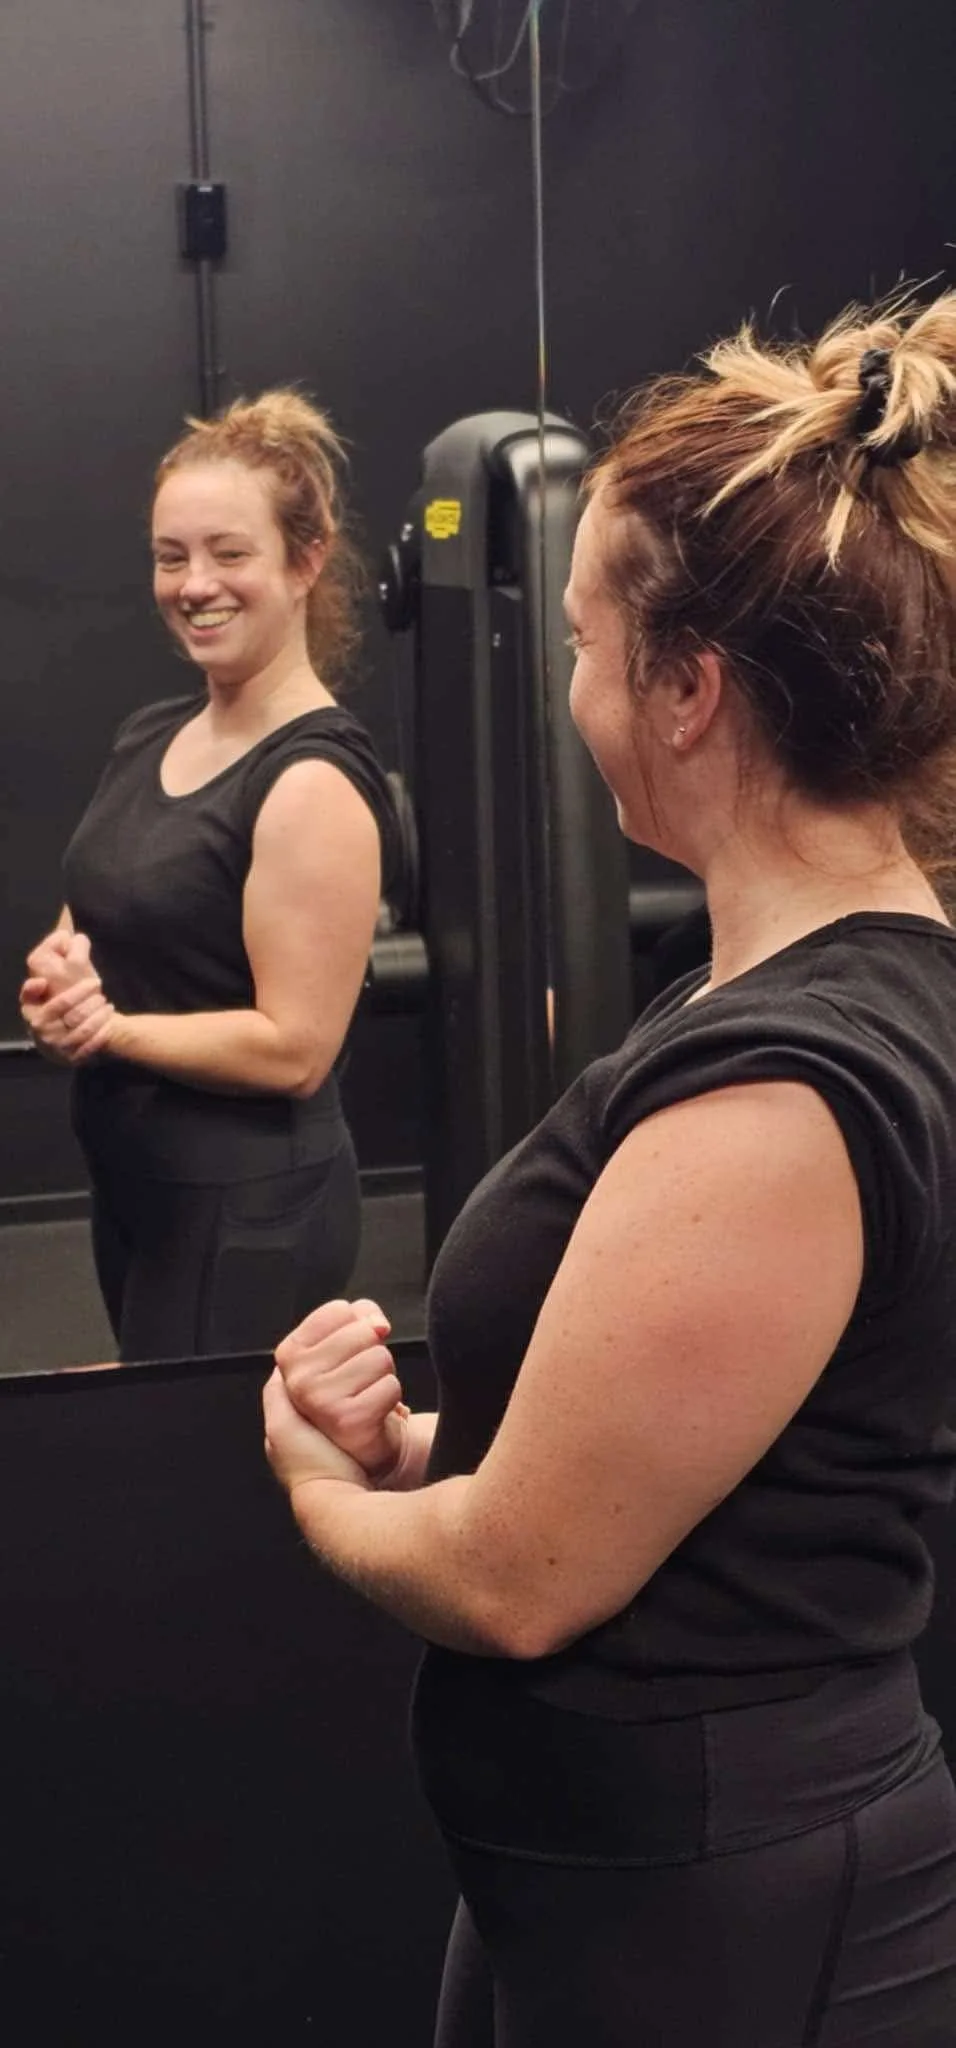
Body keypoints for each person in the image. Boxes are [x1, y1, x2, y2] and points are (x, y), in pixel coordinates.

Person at [262, 296, 956, 2046]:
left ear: (689, 687)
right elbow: (700, 1470)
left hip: (721, 1914)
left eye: (579, 641)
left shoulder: (789, 1086)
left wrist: (320, 1495)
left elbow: (522, 1573)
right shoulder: (755, 992)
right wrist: (421, 1439)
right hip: (597, 1875)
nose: (567, 686)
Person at [20, 390, 397, 1362]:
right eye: (170, 554)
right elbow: (101, 903)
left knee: (204, 1492)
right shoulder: (152, 732)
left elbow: (294, 1047)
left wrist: (107, 1028)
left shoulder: (309, 779)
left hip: (246, 1211)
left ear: (304, 560)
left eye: (229, 552)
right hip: (136, 1180)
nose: (194, 583)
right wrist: (62, 977)